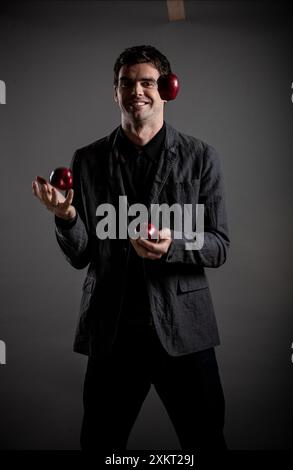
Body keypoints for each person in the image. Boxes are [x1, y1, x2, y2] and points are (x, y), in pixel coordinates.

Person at [32, 45, 230, 451]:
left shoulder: (201, 157)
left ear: (168, 89)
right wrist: (67, 217)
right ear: (115, 92)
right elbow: (81, 255)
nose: (136, 91)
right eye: (126, 83)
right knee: (100, 445)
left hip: (184, 333)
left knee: (206, 442)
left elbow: (219, 246)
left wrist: (172, 244)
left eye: (146, 82)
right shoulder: (87, 161)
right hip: (113, 332)